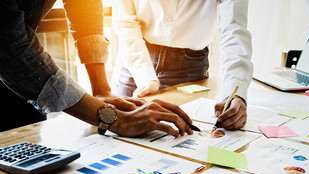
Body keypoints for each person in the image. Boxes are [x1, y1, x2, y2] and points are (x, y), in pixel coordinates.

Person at [0, 0, 193, 137]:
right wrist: (116, 121)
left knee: (29, 159)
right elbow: (9, 46)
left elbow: (83, 6)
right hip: (14, 64)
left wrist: (101, 90)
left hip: (21, 77)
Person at [109, 0, 254, 130]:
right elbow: (124, 21)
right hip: (133, 59)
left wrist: (235, 91)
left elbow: (234, 28)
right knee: (112, 133)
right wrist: (144, 74)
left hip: (189, 67)